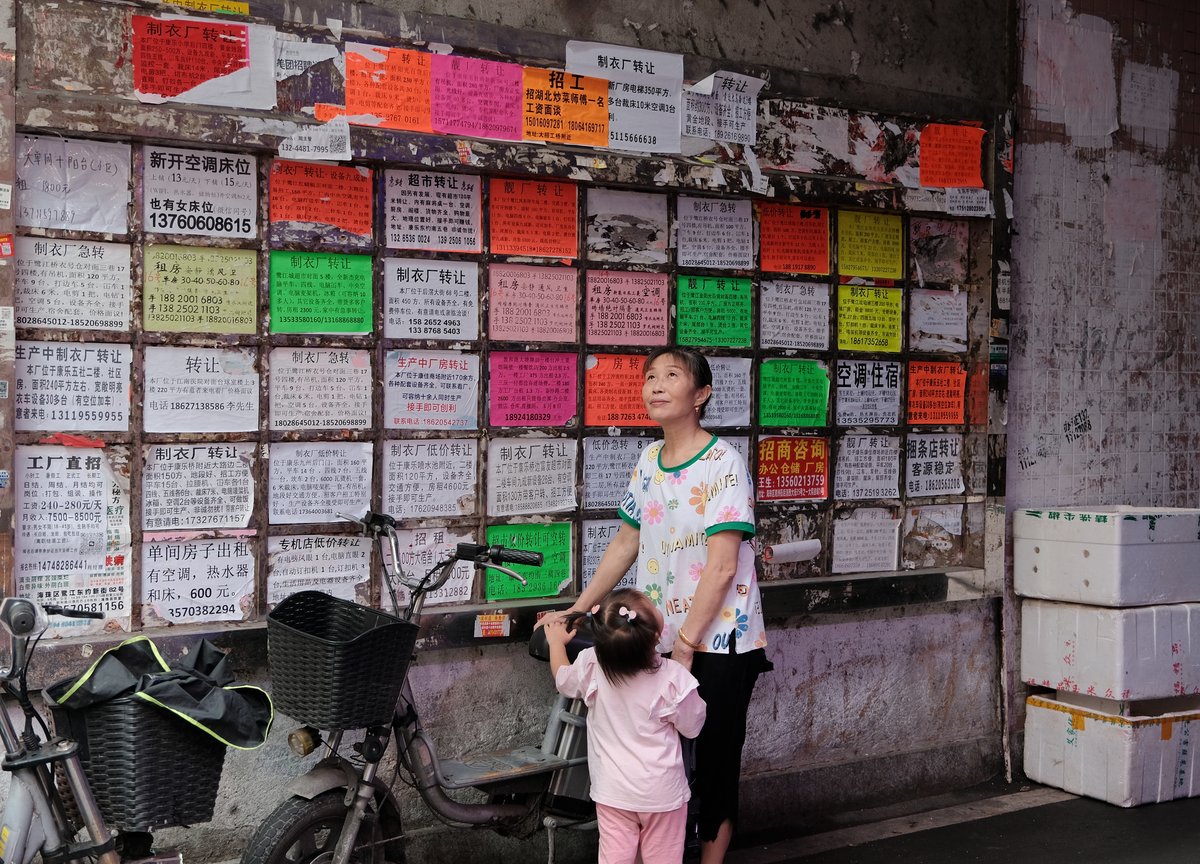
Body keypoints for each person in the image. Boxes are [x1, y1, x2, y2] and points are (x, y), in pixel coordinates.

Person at [541, 345, 772, 864]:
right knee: (663, 759)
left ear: (701, 394)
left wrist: (687, 645)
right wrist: (579, 609)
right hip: (659, 635)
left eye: (672, 375)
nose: (656, 385)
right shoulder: (648, 460)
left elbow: (721, 566)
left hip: (719, 640)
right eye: (650, 376)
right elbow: (626, 542)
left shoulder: (724, 464)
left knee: (713, 760)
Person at [545, 588, 706, 864]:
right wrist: (684, 665)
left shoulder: (591, 664)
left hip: (613, 794)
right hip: (662, 797)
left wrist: (557, 643)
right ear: (656, 636)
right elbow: (692, 726)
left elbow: (563, 679)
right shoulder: (673, 678)